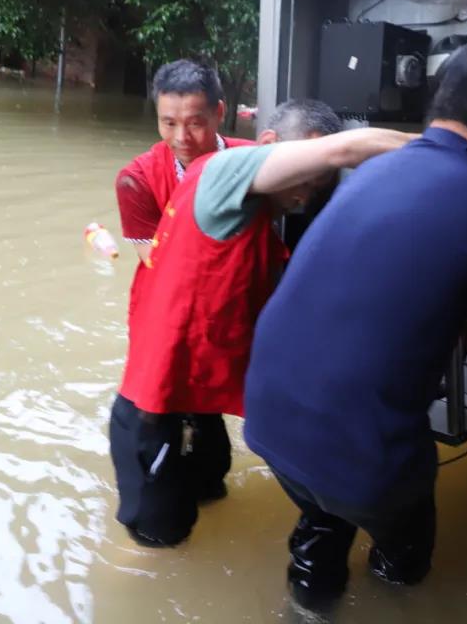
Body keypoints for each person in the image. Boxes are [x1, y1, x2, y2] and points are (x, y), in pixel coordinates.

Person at [243, 42, 467, 609]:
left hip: (269, 418)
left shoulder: (371, 168)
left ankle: (307, 602)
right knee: (403, 546)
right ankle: (392, 588)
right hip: (364, 454)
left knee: (322, 512)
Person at [109, 101, 401, 548]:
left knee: (213, 492)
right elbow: (346, 149)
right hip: (153, 404)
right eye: (305, 172)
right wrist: (453, 149)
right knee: (159, 542)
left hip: (198, 397)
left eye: (319, 182)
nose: (307, 193)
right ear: (267, 146)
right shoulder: (226, 172)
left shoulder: (261, 213)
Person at [114, 60, 254, 318]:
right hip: (173, 314)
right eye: (169, 123)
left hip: (242, 309)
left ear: (219, 113)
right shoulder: (136, 181)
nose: (181, 138)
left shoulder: (253, 161)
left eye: (194, 124)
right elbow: (159, 265)